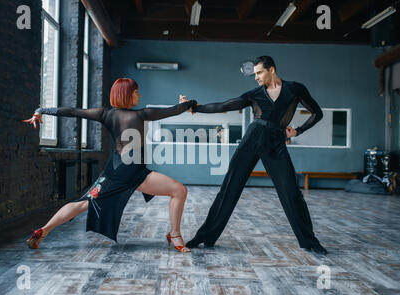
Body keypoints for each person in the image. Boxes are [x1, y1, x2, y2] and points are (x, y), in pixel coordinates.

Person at [23, 78, 197, 252]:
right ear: (126, 94)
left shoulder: (105, 114)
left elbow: (73, 111)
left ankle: (43, 231)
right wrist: (188, 103)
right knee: (179, 190)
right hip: (133, 172)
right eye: (136, 92)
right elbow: (173, 111)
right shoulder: (143, 114)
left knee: (84, 203)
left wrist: (41, 110)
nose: (139, 94)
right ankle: (174, 234)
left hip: (114, 170)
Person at [181, 56, 328, 255]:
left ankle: (309, 241)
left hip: (276, 142)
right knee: (229, 189)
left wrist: (298, 131)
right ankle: (205, 236)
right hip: (251, 140)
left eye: (259, 73)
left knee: (291, 192)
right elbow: (225, 106)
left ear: (272, 69)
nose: (256, 77)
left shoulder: (295, 89)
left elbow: (317, 113)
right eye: (255, 74)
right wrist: (195, 107)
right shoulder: (255, 94)